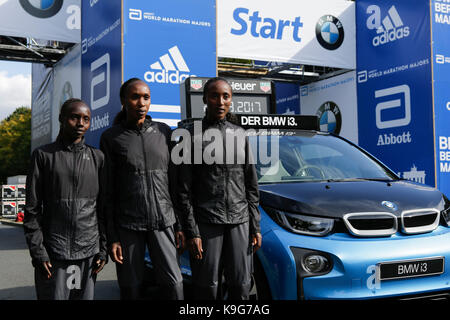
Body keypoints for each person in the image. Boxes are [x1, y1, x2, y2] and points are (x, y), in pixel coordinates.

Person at [100, 78, 184, 300]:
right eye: (135, 97)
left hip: (163, 222)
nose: (141, 102)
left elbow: (174, 183)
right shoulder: (111, 138)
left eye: (146, 97)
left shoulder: (165, 132)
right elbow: (107, 192)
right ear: (123, 101)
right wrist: (113, 237)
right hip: (128, 225)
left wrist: (180, 225)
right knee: (131, 289)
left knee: (174, 286)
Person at [178, 77, 262, 300]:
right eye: (214, 95)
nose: (220, 101)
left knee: (241, 285)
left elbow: (251, 186)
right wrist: (192, 231)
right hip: (207, 223)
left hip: (239, 221)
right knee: (207, 287)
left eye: (226, 96)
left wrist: (255, 226)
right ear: (205, 98)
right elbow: (183, 192)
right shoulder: (191, 136)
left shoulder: (240, 134)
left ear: (231, 100)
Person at [23, 98, 108, 300]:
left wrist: (103, 249)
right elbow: (32, 210)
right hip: (54, 254)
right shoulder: (43, 155)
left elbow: (103, 208)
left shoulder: (98, 158)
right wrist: (39, 253)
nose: (80, 123)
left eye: (86, 119)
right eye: (74, 117)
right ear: (61, 119)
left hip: (88, 254)